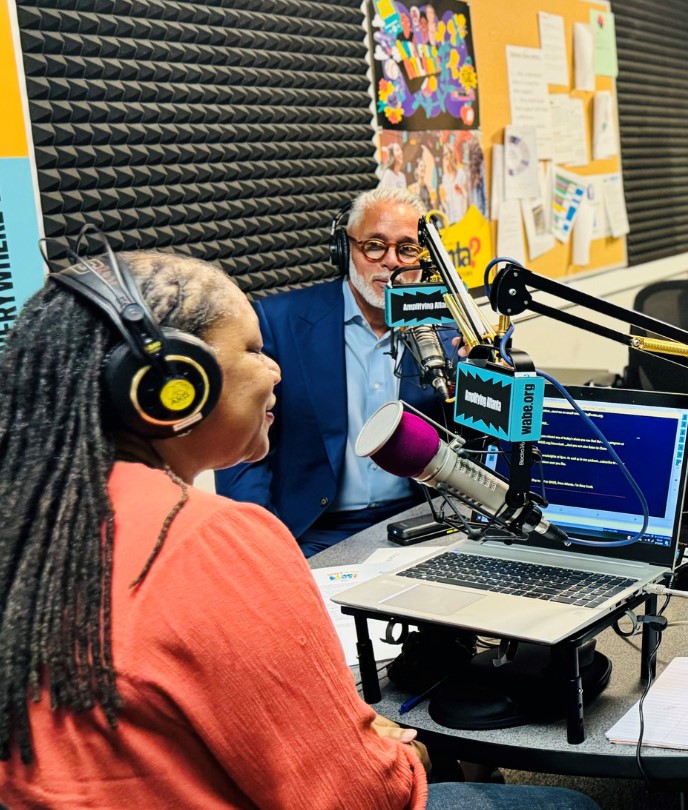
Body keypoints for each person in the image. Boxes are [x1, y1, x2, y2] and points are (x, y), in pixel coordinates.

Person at [0, 249, 597, 810]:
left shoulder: (29, 523)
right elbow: (355, 798)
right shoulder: (210, 540)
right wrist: (408, 752)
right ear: (175, 383)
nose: (277, 370)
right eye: (255, 351)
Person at [217, 187, 452, 557]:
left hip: (423, 521)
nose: (390, 262)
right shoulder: (280, 322)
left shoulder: (449, 333)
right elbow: (242, 449)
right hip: (315, 532)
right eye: (374, 245)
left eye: (407, 249)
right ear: (345, 249)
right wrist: (262, 541)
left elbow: (477, 450)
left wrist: (482, 373)